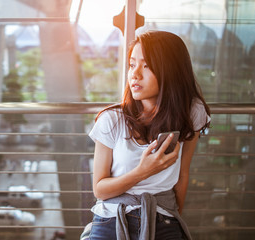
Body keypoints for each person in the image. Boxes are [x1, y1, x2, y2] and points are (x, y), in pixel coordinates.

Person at [86, 30, 211, 240]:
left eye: (146, 66)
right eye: (132, 64)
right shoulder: (112, 119)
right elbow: (100, 190)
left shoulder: (191, 113)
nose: (135, 74)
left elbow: (182, 175)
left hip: (163, 218)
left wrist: (173, 217)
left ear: (169, 70)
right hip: (112, 219)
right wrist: (142, 172)